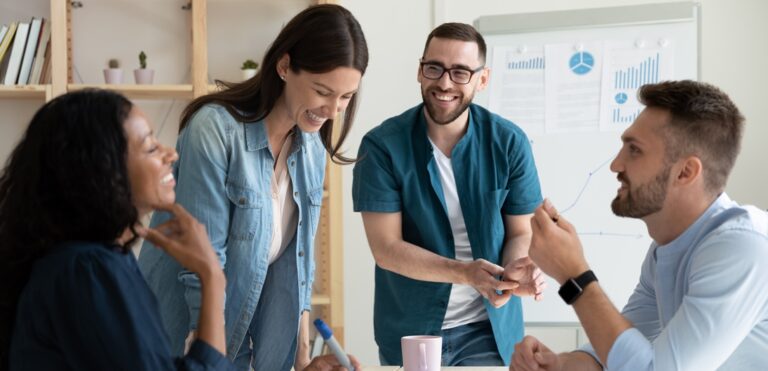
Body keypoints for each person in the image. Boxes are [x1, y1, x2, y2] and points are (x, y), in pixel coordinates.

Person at [137, 4, 367, 371]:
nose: (333, 110)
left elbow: (299, 268)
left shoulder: (311, 148)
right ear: (284, 66)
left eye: (346, 97)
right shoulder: (214, 131)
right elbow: (202, 267)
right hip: (182, 345)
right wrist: (208, 361)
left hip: (237, 348)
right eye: (323, 91)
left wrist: (301, 362)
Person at [512, 80, 768, 371]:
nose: (616, 165)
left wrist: (574, 275)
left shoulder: (742, 248)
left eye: (634, 150)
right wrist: (558, 364)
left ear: (685, 172)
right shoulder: (665, 250)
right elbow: (617, 354)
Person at [352, 22, 545, 367]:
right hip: (412, 330)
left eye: (460, 72)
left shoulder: (509, 142)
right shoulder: (382, 146)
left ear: (482, 80)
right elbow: (387, 250)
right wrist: (465, 273)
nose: (444, 82)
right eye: (434, 68)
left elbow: (521, 231)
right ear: (420, 71)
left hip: (489, 328)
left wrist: (513, 271)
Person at [0, 89, 233, 370]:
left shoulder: (91, 263)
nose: (170, 154)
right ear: (102, 170)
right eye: (150, 147)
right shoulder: (88, 269)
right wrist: (212, 277)